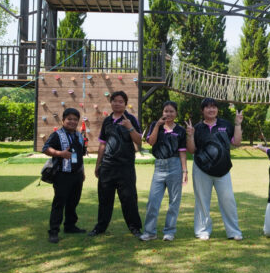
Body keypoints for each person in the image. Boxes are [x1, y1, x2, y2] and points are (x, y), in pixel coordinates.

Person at [186, 98, 244, 241]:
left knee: (228, 200)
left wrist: (237, 124)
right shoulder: (198, 128)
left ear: (217, 109)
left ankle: (234, 231)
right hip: (201, 169)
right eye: (207, 107)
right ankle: (202, 230)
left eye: (214, 107)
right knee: (202, 201)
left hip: (223, 170)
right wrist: (190, 135)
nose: (211, 110)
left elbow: (236, 143)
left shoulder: (226, 125)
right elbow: (192, 150)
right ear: (202, 110)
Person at [89, 91, 143, 238]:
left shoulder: (130, 119)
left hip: (125, 167)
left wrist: (130, 127)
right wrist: (97, 165)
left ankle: (135, 228)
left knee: (129, 198)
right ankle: (100, 227)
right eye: (115, 101)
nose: (117, 103)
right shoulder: (107, 121)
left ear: (125, 104)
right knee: (104, 199)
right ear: (111, 102)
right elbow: (102, 144)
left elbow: (139, 141)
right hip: (107, 166)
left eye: (121, 101)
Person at [140, 101, 189, 241]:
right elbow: (151, 142)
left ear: (176, 114)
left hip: (175, 166)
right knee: (153, 200)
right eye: (166, 111)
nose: (168, 114)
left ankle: (169, 231)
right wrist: (156, 125)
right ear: (162, 112)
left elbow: (182, 152)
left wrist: (185, 172)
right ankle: (150, 232)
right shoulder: (156, 126)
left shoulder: (180, 130)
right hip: (159, 166)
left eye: (171, 111)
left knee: (174, 201)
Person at [42, 107, 87, 243]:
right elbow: (46, 149)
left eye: (75, 119)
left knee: (73, 202)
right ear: (63, 120)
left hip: (77, 174)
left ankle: (70, 226)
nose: (72, 122)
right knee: (59, 203)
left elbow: (80, 154)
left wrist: (82, 171)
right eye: (69, 119)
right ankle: (54, 231)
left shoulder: (79, 135)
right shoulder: (57, 135)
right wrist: (60, 153)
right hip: (62, 174)